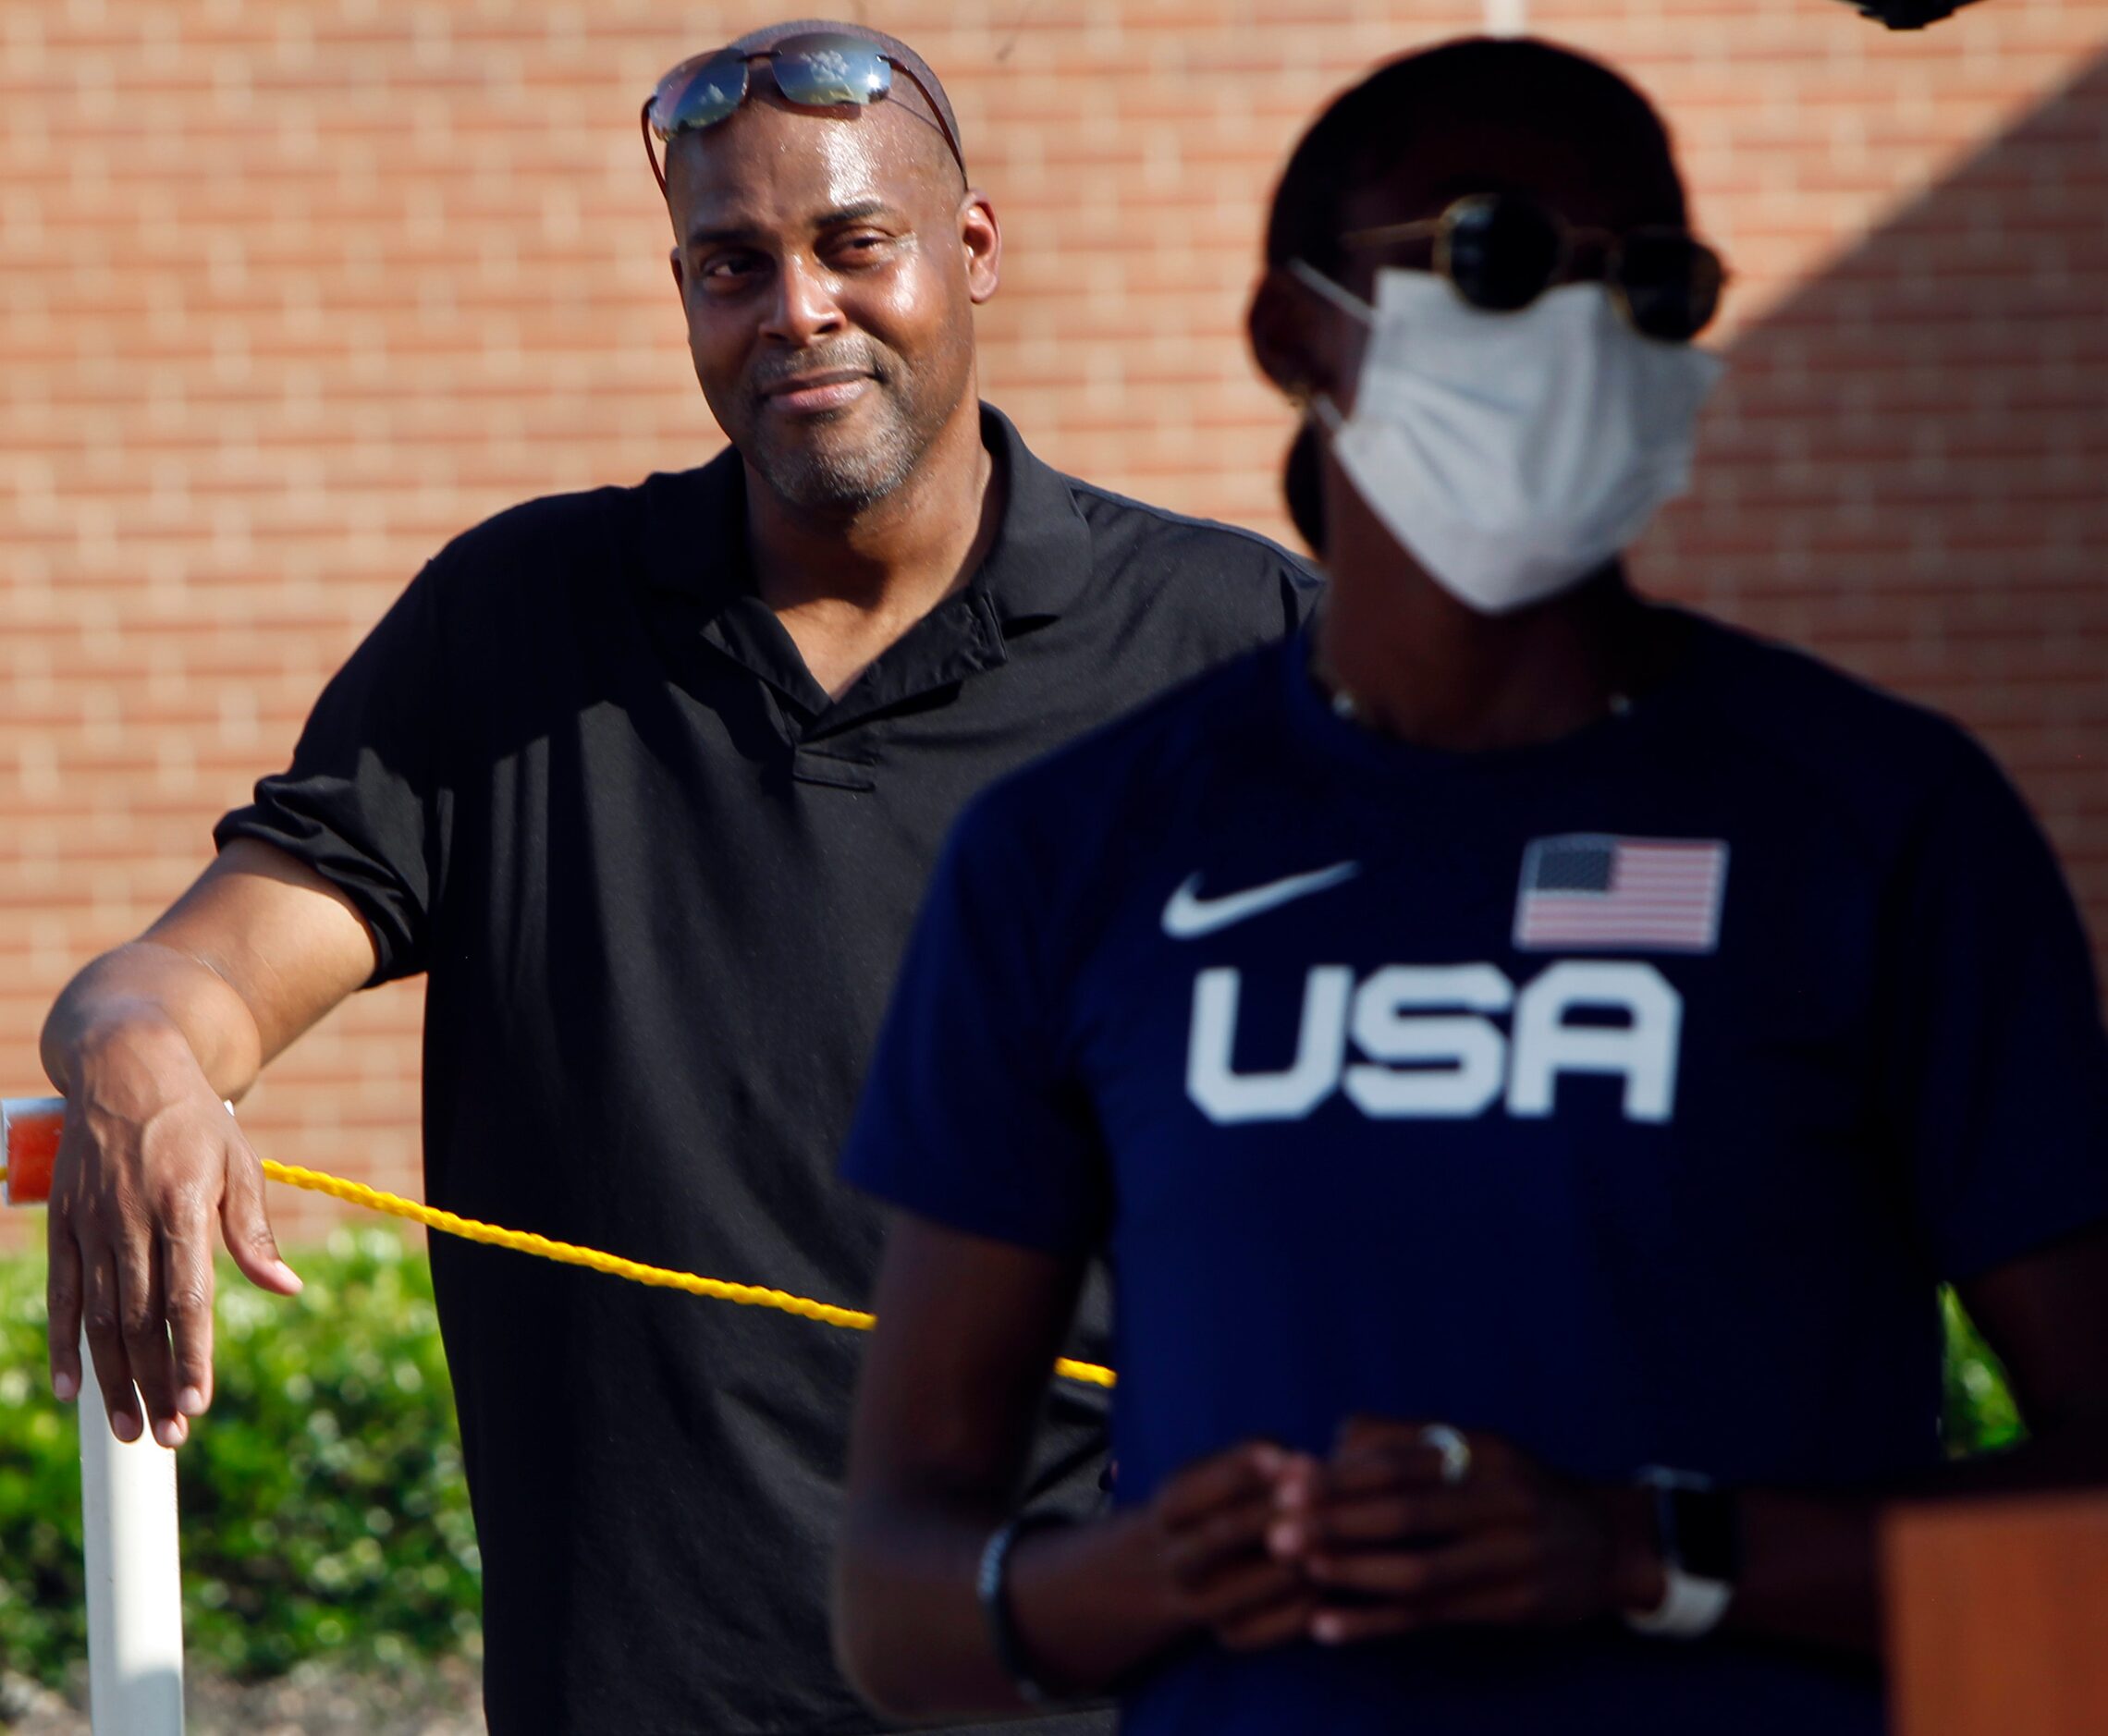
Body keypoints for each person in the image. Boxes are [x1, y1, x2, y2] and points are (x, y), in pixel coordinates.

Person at [38, 20, 1315, 1733]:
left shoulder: (1237, 650)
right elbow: (192, 976)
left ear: (975, 249)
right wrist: (129, 1063)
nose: (796, 309)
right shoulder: (518, 632)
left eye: (855, 244)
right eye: (734, 264)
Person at [833, 37, 2108, 1736]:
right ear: (1297, 333)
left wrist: (1649, 1553)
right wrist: (1152, 1575)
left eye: (1646, 284)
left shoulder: (1880, 821)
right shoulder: (1082, 851)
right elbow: (899, 1606)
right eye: (1493, 260)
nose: (1575, 330)